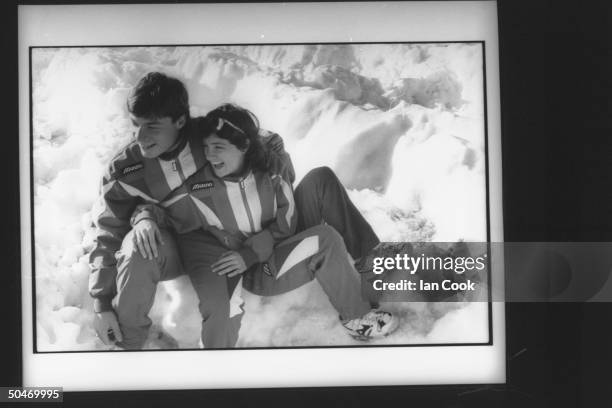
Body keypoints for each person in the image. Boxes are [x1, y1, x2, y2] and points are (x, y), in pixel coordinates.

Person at [88, 71, 388, 350]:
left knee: (321, 179)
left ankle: (380, 269)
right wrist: (102, 301)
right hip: (207, 246)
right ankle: (129, 348)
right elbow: (108, 231)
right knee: (138, 247)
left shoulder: (209, 138)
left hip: (270, 227)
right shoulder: (126, 170)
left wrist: (273, 161)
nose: (140, 137)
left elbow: (263, 139)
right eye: (135, 124)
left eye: (152, 126)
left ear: (180, 121)